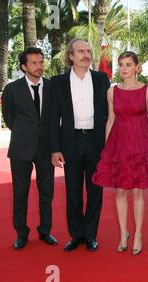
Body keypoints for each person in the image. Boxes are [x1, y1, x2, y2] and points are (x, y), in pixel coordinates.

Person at [92, 51, 148, 254]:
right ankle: (123, 233)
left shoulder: (147, 91)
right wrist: (106, 149)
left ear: (137, 67)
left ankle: (138, 233)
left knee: (138, 191)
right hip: (118, 145)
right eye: (121, 64)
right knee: (120, 191)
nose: (124, 68)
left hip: (139, 145)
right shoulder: (112, 92)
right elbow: (110, 121)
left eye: (128, 64)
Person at [50, 39, 110, 252]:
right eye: (81, 51)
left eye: (88, 51)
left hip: (96, 142)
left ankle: (91, 235)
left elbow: (111, 113)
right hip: (71, 142)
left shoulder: (102, 79)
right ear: (71, 56)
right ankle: (77, 235)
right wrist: (55, 149)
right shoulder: (57, 82)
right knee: (73, 192)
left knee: (96, 191)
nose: (86, 54)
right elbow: (52, 118)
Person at [2, 47, 57, 250]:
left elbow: (54, 118)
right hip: (21, 148)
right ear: (24, 66)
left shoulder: (52, 87)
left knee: (47, 192)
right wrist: (24, 133)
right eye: (34, 63)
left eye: (41, 62)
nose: (39, 66)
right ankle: (21, 234)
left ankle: (45, 231)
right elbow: (9, 118)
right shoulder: (12, 89)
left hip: (45, 149)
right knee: (20, 192)